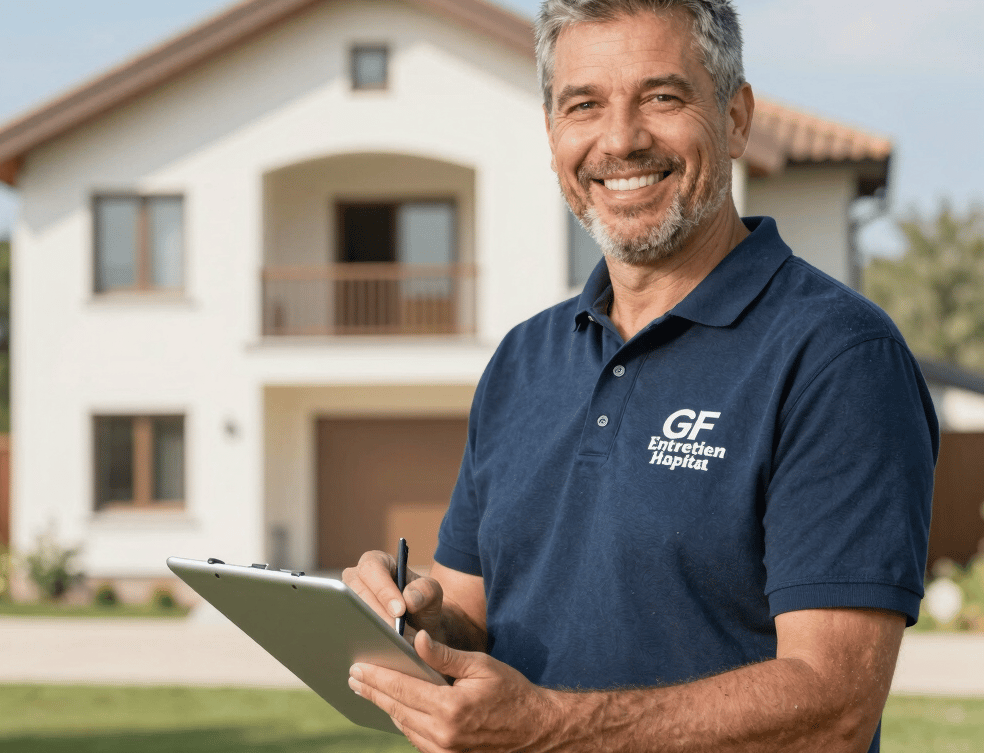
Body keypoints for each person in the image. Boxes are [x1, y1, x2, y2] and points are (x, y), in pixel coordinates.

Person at [343, 1, 939, 751]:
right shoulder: (522, 362)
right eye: (583, 105)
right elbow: (473, 611)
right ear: (553, 132)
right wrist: (419, 624)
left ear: (736, 118)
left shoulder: (836, 356)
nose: (619, 141)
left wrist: (547, 727)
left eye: (662, 97)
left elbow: (832, 704)